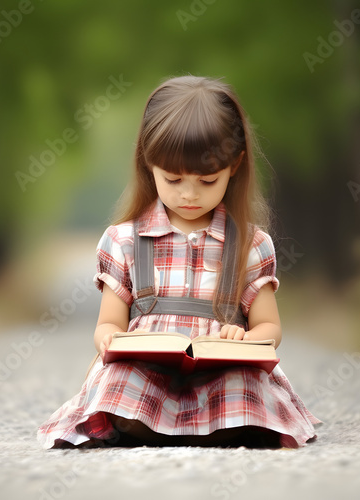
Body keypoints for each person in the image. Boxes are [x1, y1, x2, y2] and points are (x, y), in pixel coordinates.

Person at [36, 75, 321, 449]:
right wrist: (109, 339)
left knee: (244, 387)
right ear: (149, 163)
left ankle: (211, 424)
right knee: (120, 382)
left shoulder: (251, 243)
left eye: (207, 181)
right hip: (149, 370)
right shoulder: (124, 240)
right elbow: (108, 323)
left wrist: (246, 338)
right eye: (173, 179)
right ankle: (164, 424)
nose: (189, 194)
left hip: (222, 370)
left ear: (234, 166)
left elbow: (269, 326)